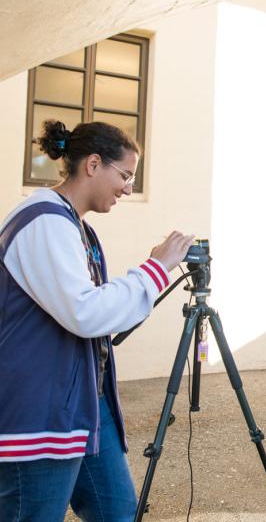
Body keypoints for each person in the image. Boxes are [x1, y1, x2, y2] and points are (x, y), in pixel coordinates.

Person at [0, 120, 194, 522]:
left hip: (82, 405)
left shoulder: (73, 225)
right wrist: (155, 270)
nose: (128, 188)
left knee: (118, 512)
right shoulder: (45, 221)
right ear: (92, 164)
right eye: (124, 175)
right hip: (41, 415)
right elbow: (84, 312)